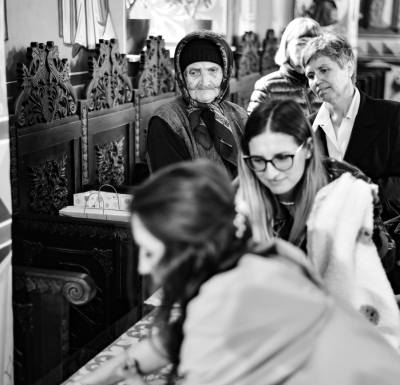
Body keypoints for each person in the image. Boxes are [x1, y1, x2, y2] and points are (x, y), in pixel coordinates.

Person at [47, 160, 400, 385]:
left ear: (192, 248)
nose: (143, 268)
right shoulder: (266, 253)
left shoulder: (226, 299)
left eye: (152, 253)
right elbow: (172, 340)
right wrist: (81, 384)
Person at [237, 99, 399, 343]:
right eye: (258, 160)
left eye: (283, 158)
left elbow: (381, 261)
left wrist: (359, 234)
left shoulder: (344, 184)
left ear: (309, 149)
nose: (270, 172)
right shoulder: (242, 194)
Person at [301, 32, 400, 289]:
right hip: (326, 255)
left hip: (382, 249)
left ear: (348, 67)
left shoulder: (391, 116)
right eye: (310, 75)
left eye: (324, 70)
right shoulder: (307, 129)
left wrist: (359, 198)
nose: (316, 81)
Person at [147, 30, 248, 179]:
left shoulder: (240, 115)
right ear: (182, 77)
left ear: (225, 74)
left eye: (212, 70)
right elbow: (175, 187)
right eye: (194, 72)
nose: (204, 82)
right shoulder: (165, 122)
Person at [247, 17, 323, 115]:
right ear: (286, 46)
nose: (308, 50)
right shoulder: (267, 86)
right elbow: (253, 123)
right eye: (301, 44)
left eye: (313, 44)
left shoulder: (324, 83)